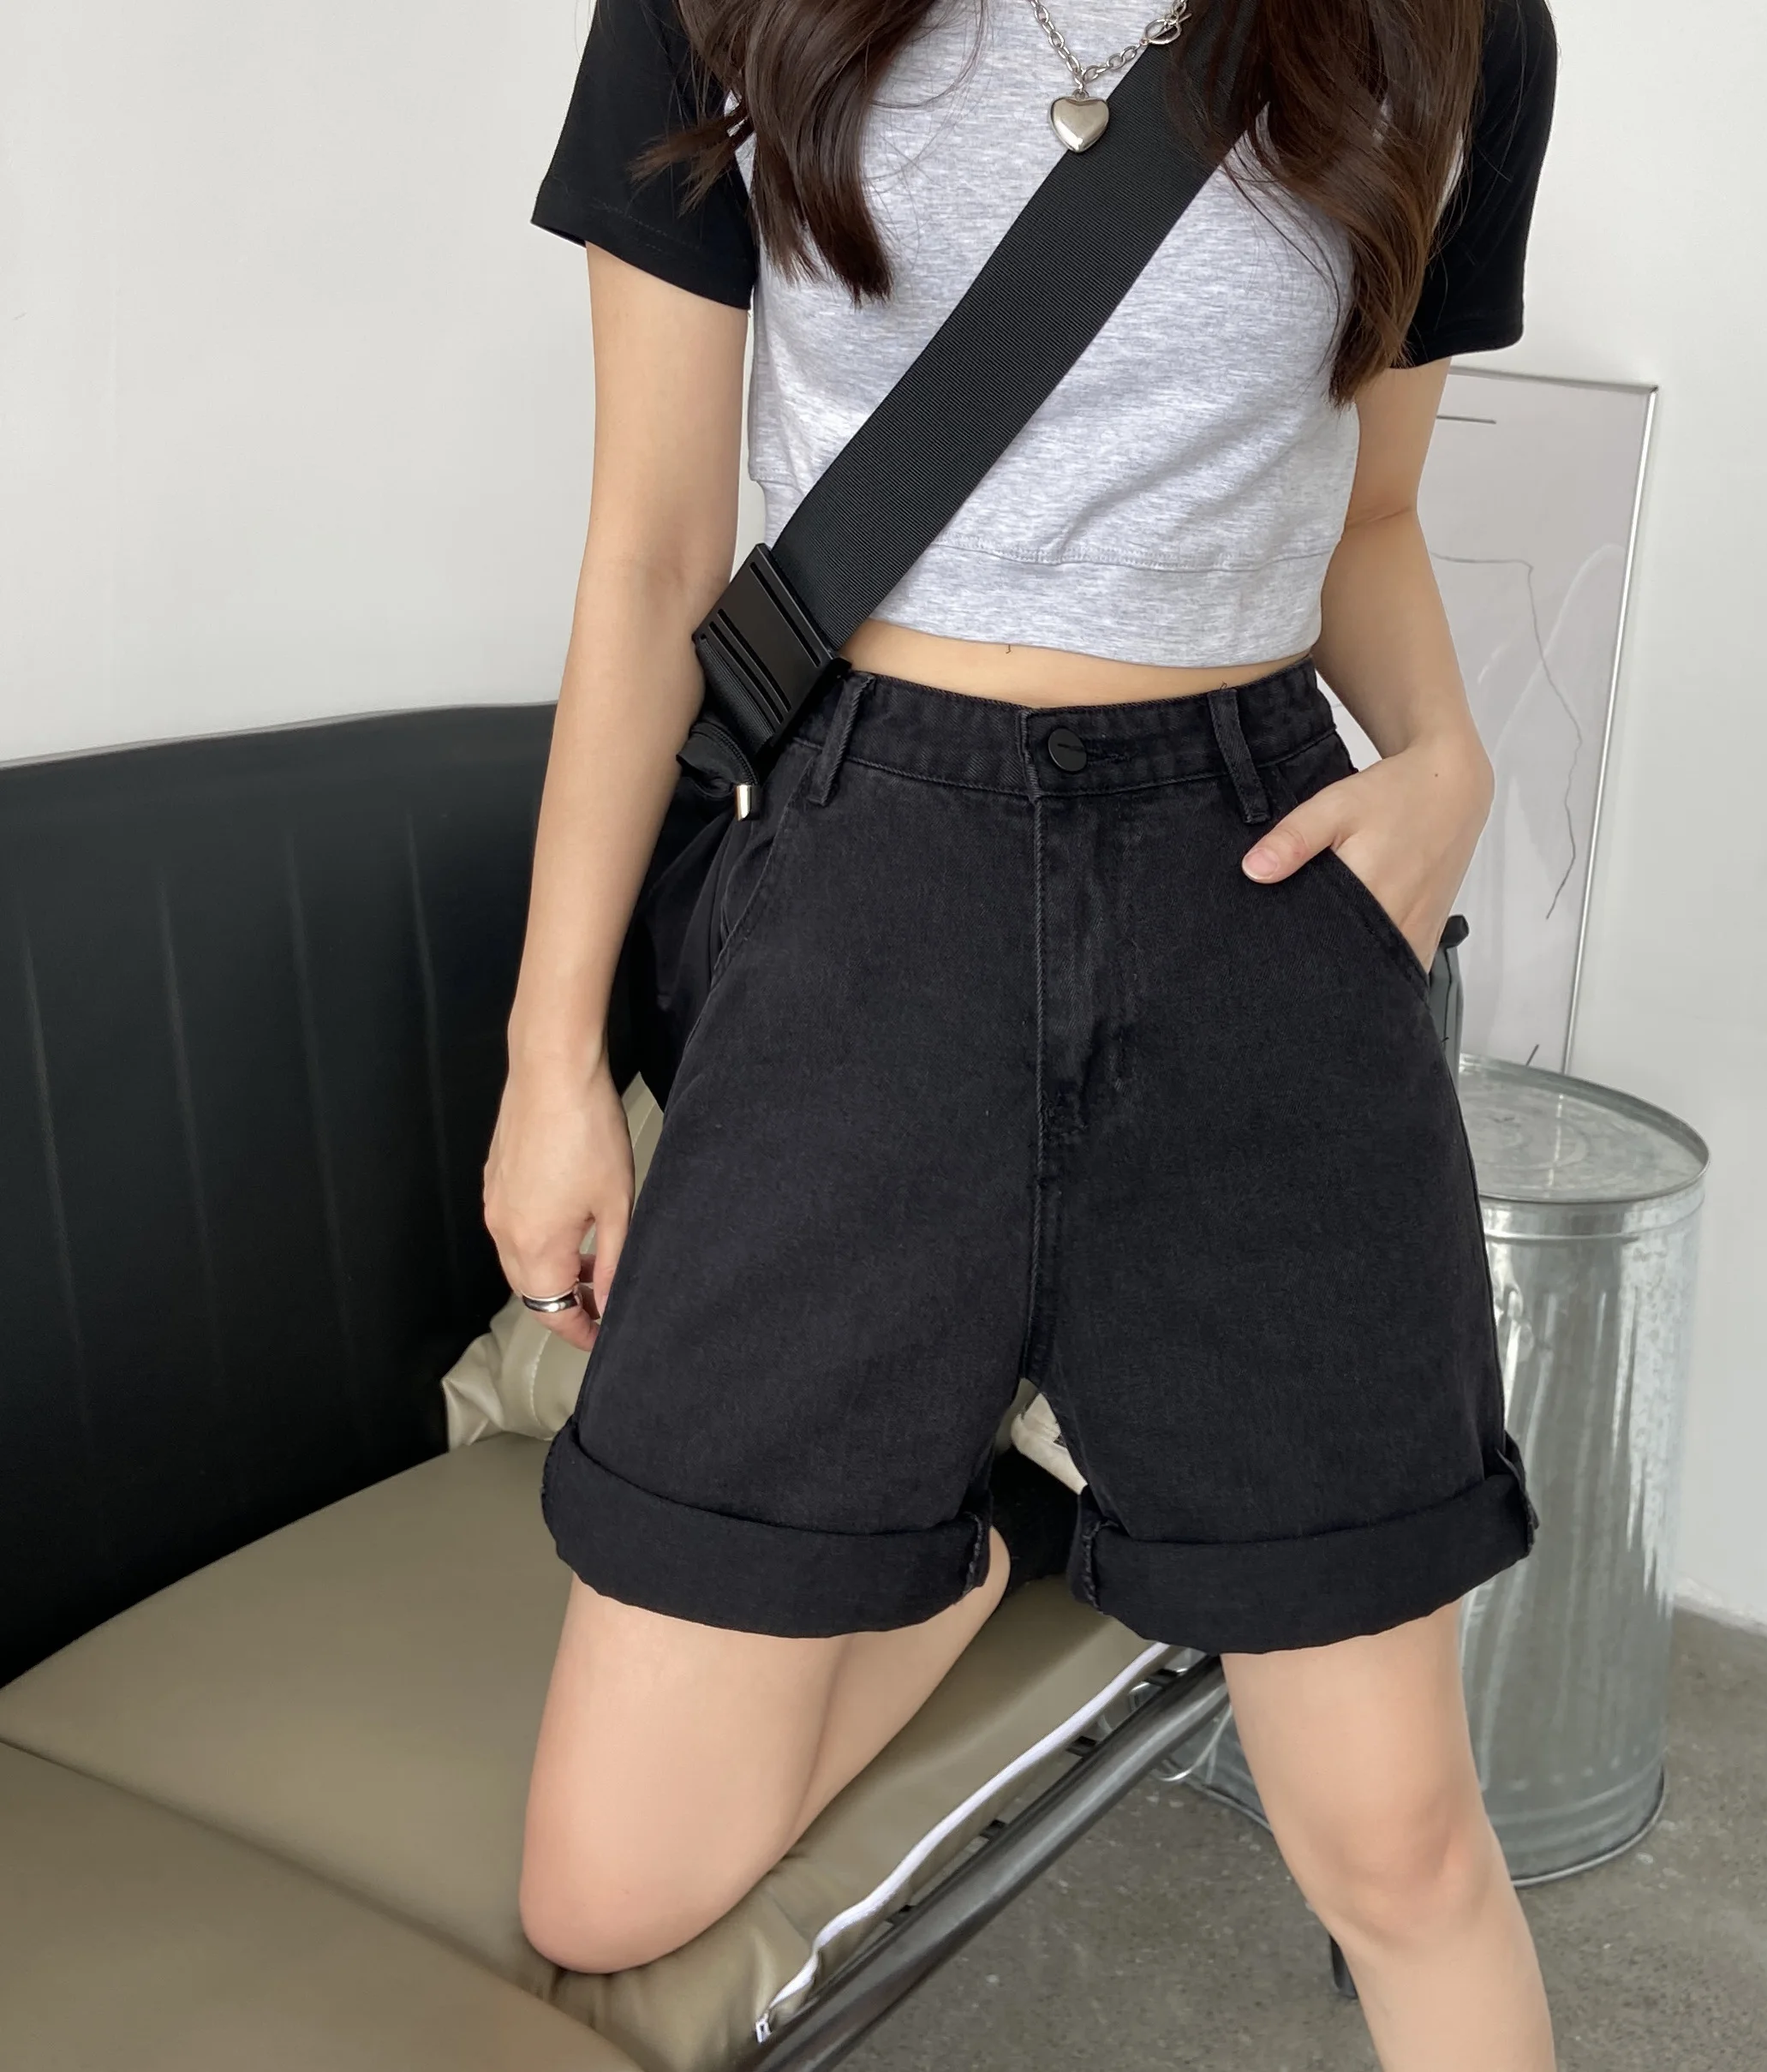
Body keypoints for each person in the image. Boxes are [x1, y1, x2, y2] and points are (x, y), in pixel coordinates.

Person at [485, 0, 1560, 2058]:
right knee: (601, 1887)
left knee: (1402, 1846)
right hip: (864, 893)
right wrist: (552, 1068)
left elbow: (1370, 514)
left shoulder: (1451, 26)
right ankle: (966, 1557)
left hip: (1249, 890)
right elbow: (652, 559)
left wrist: (1444, 754)